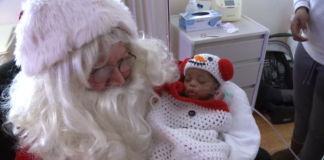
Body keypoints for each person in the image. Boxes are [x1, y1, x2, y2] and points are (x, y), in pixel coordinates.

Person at [1, 0, 179, 159]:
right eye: (100, 71)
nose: (119, 79)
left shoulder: (144, 73)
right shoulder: (45, 144)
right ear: (62, 88)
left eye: (122, 60)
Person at [147, 53, 261, 160]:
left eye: (201, 81)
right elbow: (159, 115)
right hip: (172, 139)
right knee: (159, 151)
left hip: (204, 143)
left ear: (215, 87)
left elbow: (224, 124)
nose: (192, 83)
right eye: (188, 80)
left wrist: (216, 103)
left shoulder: (216, 106)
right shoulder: (174, 97)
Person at [272, 0, 324, 160]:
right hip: (308, 46)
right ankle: (295, 151)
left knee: (319, 128)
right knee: (301, 108)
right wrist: (301, 7)